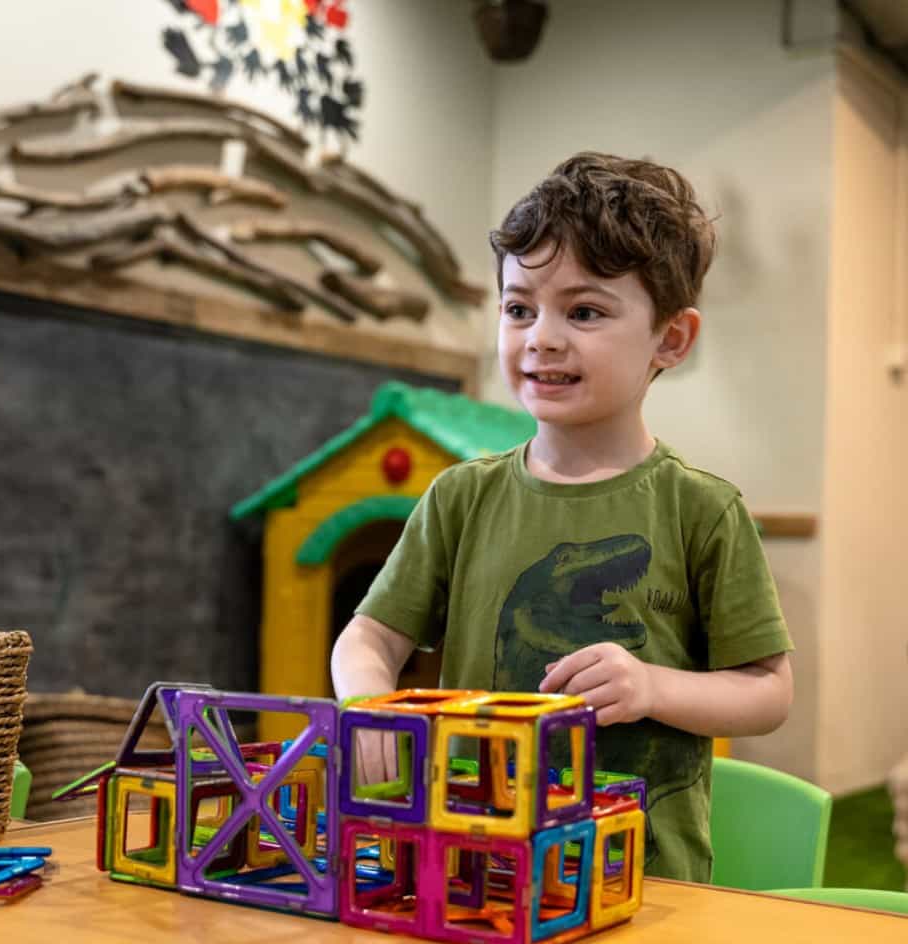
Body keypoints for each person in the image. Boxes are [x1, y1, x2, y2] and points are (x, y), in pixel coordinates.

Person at [330, 151, 793, 882]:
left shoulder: (703, 509)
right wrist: (366, 702)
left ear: (670, 339)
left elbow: (769, 691)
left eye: (584, 311)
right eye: (519, 308)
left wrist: (654, 687)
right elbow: (367, 638)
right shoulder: (460, 497)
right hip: (472, 867)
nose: (541, 337)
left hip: (640, 882)